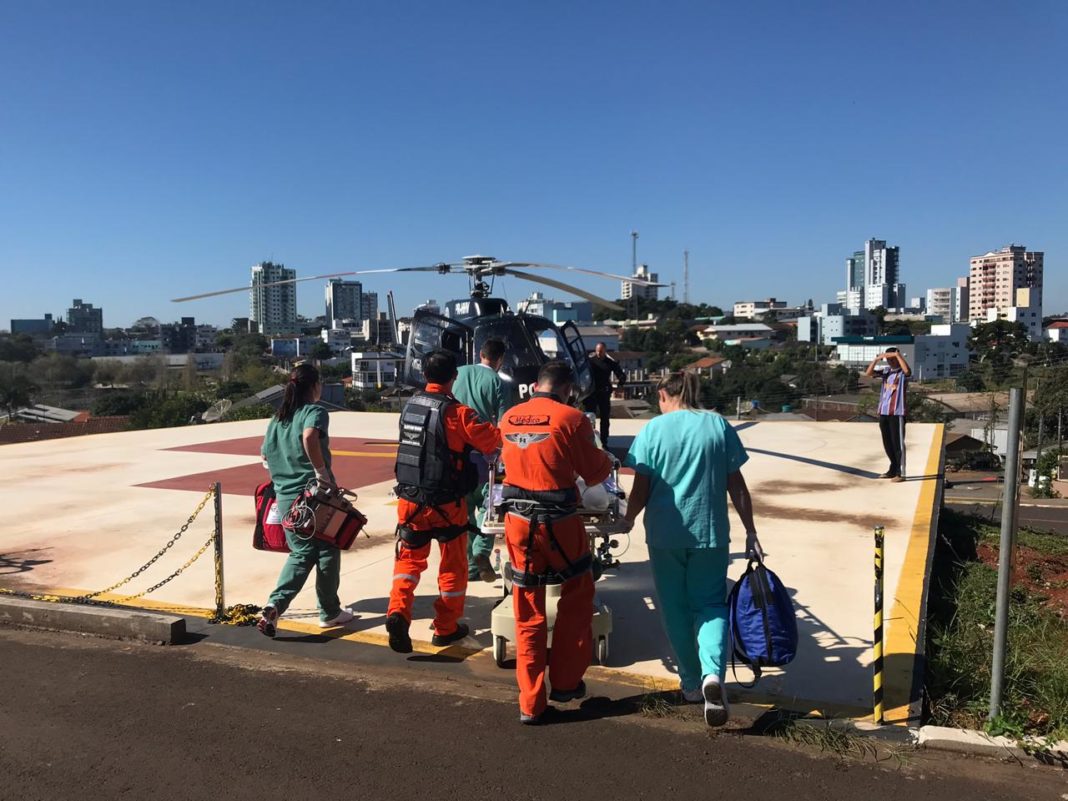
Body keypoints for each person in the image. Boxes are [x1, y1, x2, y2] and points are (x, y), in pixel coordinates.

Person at [623, 371, 761, 728]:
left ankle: (689, 683)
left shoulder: (653, 430)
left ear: (665, 395)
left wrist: (628, 519)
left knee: (674, 608)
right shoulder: (717, 425)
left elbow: (641, 488)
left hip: (666, 534)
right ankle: (713, 675)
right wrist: (750, 529)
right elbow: (738, 485)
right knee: (710, 604)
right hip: (710, 533)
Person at [499, 360, 615, 724]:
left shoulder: (509, 417)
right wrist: (607, 460)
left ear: (536, 385)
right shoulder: (572, 419)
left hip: (518, 522)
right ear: (568, 389)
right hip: (560, 522)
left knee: (527, 607)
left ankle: (531, 703)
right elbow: (595, 472)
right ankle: (565, 684)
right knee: (577, 595)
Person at [386, 350, 501, 653]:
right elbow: (493, 440)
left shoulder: (409, 406)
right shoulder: (457, 413)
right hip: (447, 506)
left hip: (410, 501)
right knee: (453, 566)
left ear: (424, 375)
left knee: (408, 564)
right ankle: (446, 628)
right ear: (454, 377)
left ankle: (398, 612)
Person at [257, 363, 354, 637]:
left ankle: (298, 607)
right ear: (314, 386)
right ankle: (318, 610)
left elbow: (264, 456)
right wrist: (321, 472)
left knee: (311, 551)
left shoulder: (277, 419)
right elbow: (310, 435)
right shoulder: (315, 412)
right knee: (323, 550)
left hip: (287, 499)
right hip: (315, 497)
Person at [451, 337, 512, 583]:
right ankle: (481, 552)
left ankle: (470, 567)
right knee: (490, 506)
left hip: (457, 456)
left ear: (480, 354)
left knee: (463, 510)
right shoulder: (498, 382)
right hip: (485, 456)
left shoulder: (459, 373)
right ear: (500, 360)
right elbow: (503, 424)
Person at [865, 347, 911, 482]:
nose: (891, 362)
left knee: (898, 443)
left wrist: (897, 355)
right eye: (888, 359)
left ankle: (900, 472)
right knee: (887, 442)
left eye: (893, 359)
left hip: (897, 412)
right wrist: (876, 359)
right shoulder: (886, 372)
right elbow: (868, 373)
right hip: (884, 411)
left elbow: (908, 371)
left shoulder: (902, 373)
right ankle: (892, 469)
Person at [583, 342, 625, 446]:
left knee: (605, 419)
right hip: (591, 393)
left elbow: (621, 375)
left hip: (604, 393)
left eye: (601, 351)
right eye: (597, 351)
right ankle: (589, 440)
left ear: (605, 351)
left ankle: (604, 442)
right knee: (589, 418)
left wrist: (620, 385)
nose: (598, 353)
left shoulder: (610, 362)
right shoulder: (590, 362)